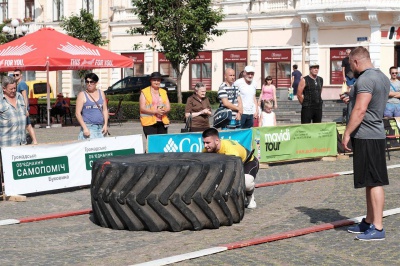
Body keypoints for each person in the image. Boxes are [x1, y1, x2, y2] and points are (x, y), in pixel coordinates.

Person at [341, 46, 390, 241]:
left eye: (350, 64)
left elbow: (360, 110)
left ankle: (378, 228)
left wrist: (346, 133)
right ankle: (369, 221)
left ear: (355, 62)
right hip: (373, 133)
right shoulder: (382, 77)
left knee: (375, 181)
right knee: (370, 181)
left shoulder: (366, 79)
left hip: (368, 134)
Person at [202, 128, 259, 209]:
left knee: (246, 182)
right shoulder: (206, 149)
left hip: (248, 162)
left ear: (217, 141)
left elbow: (232, 173)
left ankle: (250, 196)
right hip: (234, 163)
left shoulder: (230, 152)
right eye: (203, 142)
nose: (205, 146)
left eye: (208, 143)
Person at [75, 73, 109, 140]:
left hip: (101, 127)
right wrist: (85, 128)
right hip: (89, 127)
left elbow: (105, 110)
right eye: (87, 82)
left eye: (91, 82)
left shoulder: (101, 93)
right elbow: (77, 113)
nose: (89, 84)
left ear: (96, 83)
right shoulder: (82, 95)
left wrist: (105, 125)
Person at [139, 71, 171, 137]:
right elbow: (142, 108)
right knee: (152, 144)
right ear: (151, 81)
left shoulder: (163, 92)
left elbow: (168, 107)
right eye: (154, 80)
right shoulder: (144, 92)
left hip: (162, 121)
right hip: (149, 122)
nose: (156, 82)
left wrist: (164, 111)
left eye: (158, 80)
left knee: (162, 143)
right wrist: (156, 111)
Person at [0, 76, 27, 147]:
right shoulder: (0, 101)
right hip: (6, 146)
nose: (14, 90)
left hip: (22, 145)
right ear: (4, 89)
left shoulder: (20, 97)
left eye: (15, 88)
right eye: (11, 89)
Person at [14, 69, 38, 144]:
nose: (15, 76)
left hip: (23, 108)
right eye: (14, 75)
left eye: (17, 74)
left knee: (28, 125)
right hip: (20, 108)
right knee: (26, 125)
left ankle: (34, 140)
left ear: (21, 75)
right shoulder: (18, 84)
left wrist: (25, 109)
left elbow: (25, 97)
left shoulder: (22, 84)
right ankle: (32, 140)